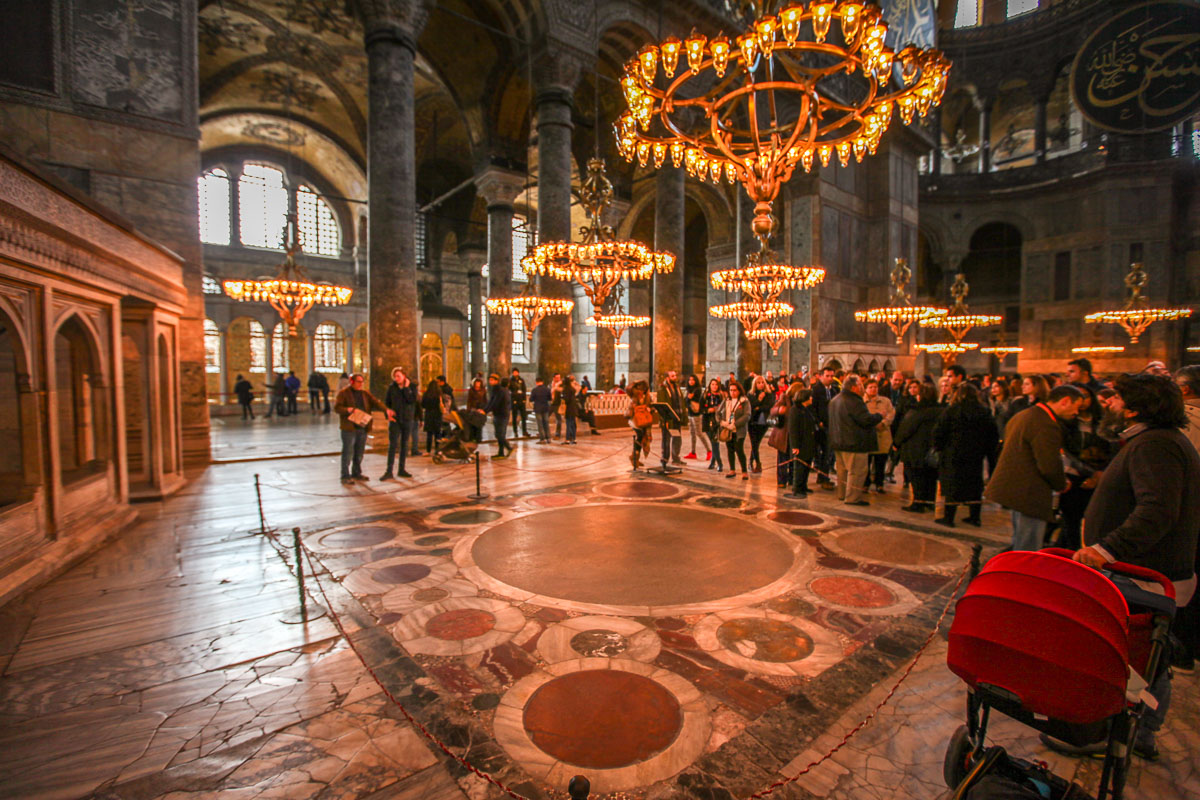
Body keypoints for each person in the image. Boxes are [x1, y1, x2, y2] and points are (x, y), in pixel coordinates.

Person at [1061, 373, 1200, 761]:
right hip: (1142, 569)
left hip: (1142, 572)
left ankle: (1118, 732)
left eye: (1115, 398)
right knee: (1143, 656)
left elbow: (1157, 511)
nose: (1107, 404)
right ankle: (1136, 732)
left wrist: (1105, 550)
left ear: (1136, 407)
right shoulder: (1157, 440)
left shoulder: (1156, 445)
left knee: (1131, 656)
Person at [984, 384, 1084, 550]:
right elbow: (1049, 464)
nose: (1076, 412)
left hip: (1015, 487)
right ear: (1065, 401)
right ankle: (1020, 575)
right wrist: (1061, 483)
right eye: (1077, 407)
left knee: (1020, 539)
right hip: (1030, 491)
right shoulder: (1045, 424)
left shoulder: (1025, 414)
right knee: (1028, 544)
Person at [1056, 385, 1115, 550]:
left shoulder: (1102, 421)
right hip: (1074, 474)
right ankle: (1070, 554)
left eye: (1086, 396)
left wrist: (1099, 475)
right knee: (1070, 519)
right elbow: (1065, 451)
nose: (1082, 401)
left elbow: (1112, 447)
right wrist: (1090, 473)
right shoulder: (1066, 422)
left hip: (1099, 474)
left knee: (1095, 518)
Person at [932, 383, 997, 527]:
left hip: (953, 454)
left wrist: (939, 447)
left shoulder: (952, 411)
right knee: (974, 484)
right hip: (975, 455)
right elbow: (992, 434)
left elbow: (939, 431)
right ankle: (975, 517)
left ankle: (949, 518)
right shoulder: (984, 412)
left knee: (952, 485)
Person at [827, 375, 883, 506]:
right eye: (861, 385)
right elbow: (865, 419)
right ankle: (853, 498)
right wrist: (879, 416)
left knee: (843, 471)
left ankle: (842, 494)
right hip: (854, 442)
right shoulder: (854, 401)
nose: (862, 388)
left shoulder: (835, 400)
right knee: (856, 471)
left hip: (838, 441)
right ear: (854, 387)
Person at [334, 373, 393, 484]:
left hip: (362, 427)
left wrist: (386, 410)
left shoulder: (365, 394)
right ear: (352, 382)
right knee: (348, 452)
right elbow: (337, 408)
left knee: (359, 452)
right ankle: (345, 475)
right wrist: (348, 409)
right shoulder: (344, 393)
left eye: (362, 382)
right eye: (358, 382)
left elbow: (376, 402)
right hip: (349, 428)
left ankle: (356, 473)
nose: (360, 384)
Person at [895, 382, 942, 512]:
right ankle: (929, 502)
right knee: (931, 477)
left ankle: (918, 503)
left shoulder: (917, 411)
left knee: (917, 477)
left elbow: (905, 429)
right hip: (933, 450)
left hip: (916, 450)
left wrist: (896, 443)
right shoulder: (941, 411)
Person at [381, 367, 417, 480]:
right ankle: (389, 470)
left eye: (398, 376)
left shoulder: (412, 387)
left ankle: (401, 469)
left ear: (404, 376)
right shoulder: (392, 388)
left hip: (407, 419)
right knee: (392, 445)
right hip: (395, 419)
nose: (396, 379)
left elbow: (412, 400)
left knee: (404, 445)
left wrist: (406, 388)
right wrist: (388, 414)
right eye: (395, 376)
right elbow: (387, 403)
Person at [863, 379, 895, 493]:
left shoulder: (885, 401)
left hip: (883, 435)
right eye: (870, 387)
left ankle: (879, 483)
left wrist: (884, 423)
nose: (873, 389)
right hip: (868, 435)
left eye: (875, 387)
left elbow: (891, 413)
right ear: (866, 389)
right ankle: (865, 483)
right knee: (866, 462)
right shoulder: (862, 401)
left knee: (880, 462)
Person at [811, 367, 839, 488]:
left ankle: (824, 477)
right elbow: (812, 408)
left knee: (828, 454)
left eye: (831, 376)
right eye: (827, 376)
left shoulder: (834, 390)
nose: (830, 378)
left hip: (831, 424)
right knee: (822, 453)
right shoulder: (816, 390)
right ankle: (822, 478)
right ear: (821, 376)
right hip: (820, 426)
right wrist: (818, 421)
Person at [786, 387, 817, 497]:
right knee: (799, 467)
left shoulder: (807, 409)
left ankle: (803, 486)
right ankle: (797, 488)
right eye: (810, 397)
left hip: (808, 443)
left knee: (806, 466)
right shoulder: (795, 410)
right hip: (800, 444)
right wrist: (795, 446)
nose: (812, 398)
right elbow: (793, 429)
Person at [719, 381, 750, 479]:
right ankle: (732, 470)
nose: (732, 392)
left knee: (739, 449)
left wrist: (735, 424)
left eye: (734, 390)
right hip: (727, 428)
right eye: (731, 390)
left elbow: (747, 415)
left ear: (739, 391)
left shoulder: (744, 401)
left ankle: (744, 471)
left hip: (738, 430)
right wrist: (722, 422)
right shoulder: (726, 400)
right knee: (730, 449)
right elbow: (718, 412)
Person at [658, 370, 686, 465]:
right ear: (667, 378)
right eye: (672, 376)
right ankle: (665, 458)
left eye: (675, 375)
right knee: (666, 440)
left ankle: (675, 457)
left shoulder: (677, 388)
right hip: (668, 419)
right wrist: (663, 419)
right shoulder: (663, 389)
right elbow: (661, 405)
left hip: (677, 418)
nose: (675, 377)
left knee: (677, 438)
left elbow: (681, 402)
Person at [747, 375, 774, 473]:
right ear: (755, 384)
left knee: (756, 443)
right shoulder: (750, 394)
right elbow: (750, 406)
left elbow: (769, 406)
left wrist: (759, 407)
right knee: (754, 443)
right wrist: (759, 400)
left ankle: (752, 462)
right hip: (752, 421)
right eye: (758, 383)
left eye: (762, 382)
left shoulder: (769, 394)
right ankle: (756, 463)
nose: (761, 385)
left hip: (763, 422)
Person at [626, 380, 654, 469]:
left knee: (643, 438)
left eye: (643, 389)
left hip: (645, 420)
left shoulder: (648, 397)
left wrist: (650, 409)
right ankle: (634, 457)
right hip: (635, 420)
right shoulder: (634, 395)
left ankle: (635, 458)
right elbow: (628, 388)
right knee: (640, 436)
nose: (641, 391)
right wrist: (635, 382)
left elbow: (652, 406)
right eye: (639, 389)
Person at [485, 374, 512, 458]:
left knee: (500, 434)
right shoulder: (496, 389)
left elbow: (495, 402)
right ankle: (501, 453)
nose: (491, 382)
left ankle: (508, 448)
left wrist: (485, 411)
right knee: (498, 434)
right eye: (490, 380)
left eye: (492, 380)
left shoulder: (500, 390)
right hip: (498, 414)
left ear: (497, 381)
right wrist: (485, 410)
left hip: (502, 415)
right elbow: (491, 401)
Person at [684, 375, 710, 461]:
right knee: (692, 433)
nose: (691, 381)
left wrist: (688, 398)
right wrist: (688, 398)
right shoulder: (688, 390)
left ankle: (709, 451)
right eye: (689, 380)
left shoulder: (698, 390)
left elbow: (696, 400)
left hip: (696, 414)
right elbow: (686, 401)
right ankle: (693, 452)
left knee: (699, 432)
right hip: (690, 413)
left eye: (693, 380)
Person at [703, 378, 725, 471]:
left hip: (717, 421)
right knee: (713, 442)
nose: (714, 386)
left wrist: (717, 409)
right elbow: (701, 408)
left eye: (716, 384)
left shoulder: (720, 396)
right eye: (712, 384)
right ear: (709, 385)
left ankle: (718, 463)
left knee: (715, 442)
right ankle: (715, 462)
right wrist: (708, 410)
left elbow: (724, 408)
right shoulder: (705, 396)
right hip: (707, 421)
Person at [421, 378, 444, 453]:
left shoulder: (426, 394)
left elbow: (423, 405)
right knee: (438, 434)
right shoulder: (439, 395)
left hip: (429, 416)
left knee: (429, 435)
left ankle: (428, 451)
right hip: (437, 416)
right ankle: (438, 450)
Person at [530, 376, 552, 443]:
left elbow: (531, 399)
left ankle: (542, 438)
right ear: (542, 382)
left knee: (540, 424)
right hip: (545, 408)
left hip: (538, 408)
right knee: (546, 423)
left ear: (536, 382)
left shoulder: (534, 390)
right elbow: (550, 398)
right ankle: (548, 438)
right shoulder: (547, 389)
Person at [465, 377, 487, 443]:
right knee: (472, 423)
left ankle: (478, 438)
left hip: (480, 409)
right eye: (476, 384)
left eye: (479, 384)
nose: (477, 385)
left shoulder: (483, 390)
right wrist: (468, 409)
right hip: (473, 409)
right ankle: (472, 437)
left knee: (479, 424)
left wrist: (485, 409)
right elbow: (469, 400)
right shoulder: (471, 390)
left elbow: (485, 400)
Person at [510, 368, 528, 438]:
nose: (515, 373)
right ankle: (515, 431)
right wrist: (515, 395)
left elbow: (524, 389)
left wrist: (524, 399)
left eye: (516, 372)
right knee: (514, 417)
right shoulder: (511, 381)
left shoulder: (521, 380)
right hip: (515, 401)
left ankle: (524, 431)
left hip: (521, 400)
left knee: (524, 416)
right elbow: (510, 391)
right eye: (514, 372)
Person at [561, 375, 578, 444]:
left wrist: (563, 398)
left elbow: (567, 400)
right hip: (574, 408)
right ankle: (574, 439)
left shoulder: (566, 389)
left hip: (569, 408)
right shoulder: (572, 389)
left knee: (568, 424)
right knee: (573, 424)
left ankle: (567, 439)